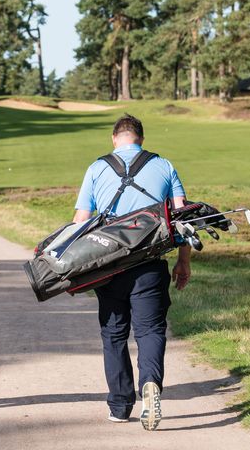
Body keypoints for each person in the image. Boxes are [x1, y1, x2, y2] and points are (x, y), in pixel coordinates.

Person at [71, 113, 190, 430]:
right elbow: (184, 218)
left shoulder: (97, 168)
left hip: (108, 265)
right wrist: (184, 261)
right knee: (150, 331)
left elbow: (80, 221)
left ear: (114, 139)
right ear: (141, 139)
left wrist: (70, 265)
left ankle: (121, 405)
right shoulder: (164, 166)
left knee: (113, 334)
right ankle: (151, 384)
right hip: (150, 265)